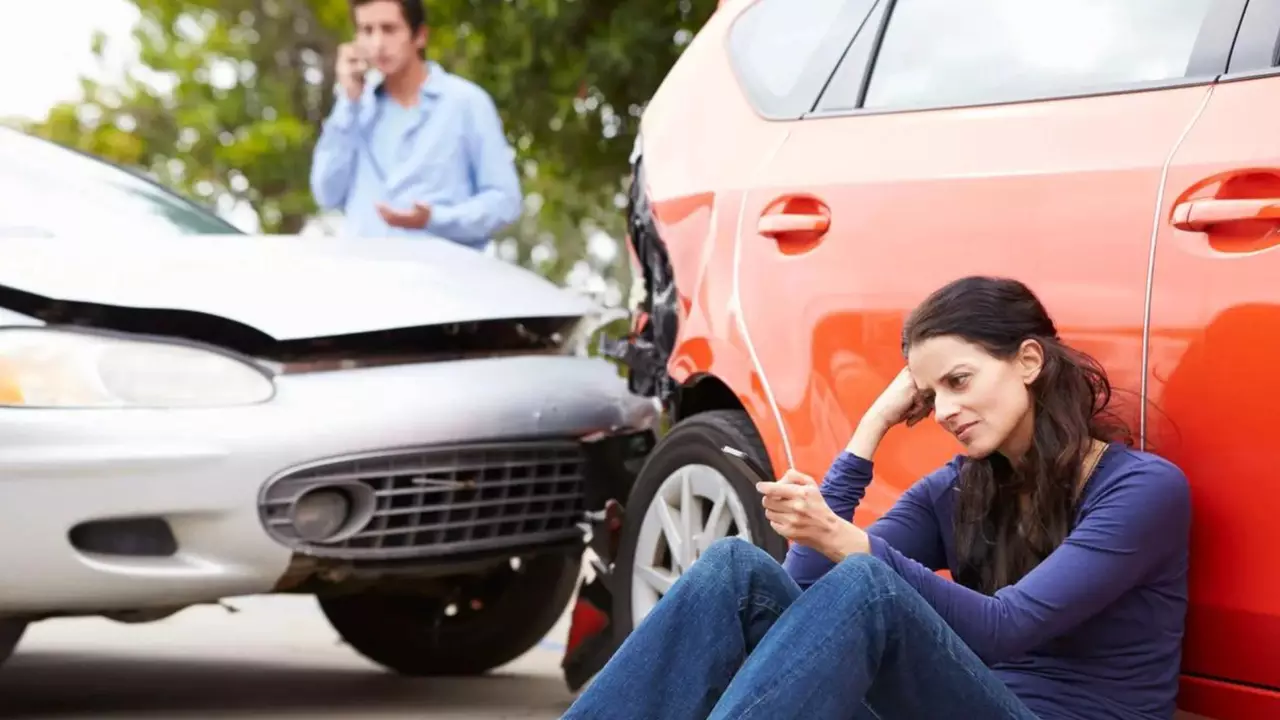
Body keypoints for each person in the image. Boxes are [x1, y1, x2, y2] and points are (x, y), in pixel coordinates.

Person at [563, 276, 1191, 720]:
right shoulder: (959, 488)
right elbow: (804, 594)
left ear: (1028, 361)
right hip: (952, 705)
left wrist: (841, 537)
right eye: (929, 392)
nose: (944, 410)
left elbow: (1007, 628)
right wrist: (872, 426)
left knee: (869, 582)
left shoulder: (1140, 490)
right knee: (738, 571)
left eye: (960, 380)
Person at [309, 0, 522, 251]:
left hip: (444, 281)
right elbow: (326, 194)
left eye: (389, 29)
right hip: (368, 279)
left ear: (419, 36)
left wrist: (435, 218)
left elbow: (505, 202)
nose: (377, 44)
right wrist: (349, 102)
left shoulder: (465, 103)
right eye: (367, 30)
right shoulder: (355, 109)